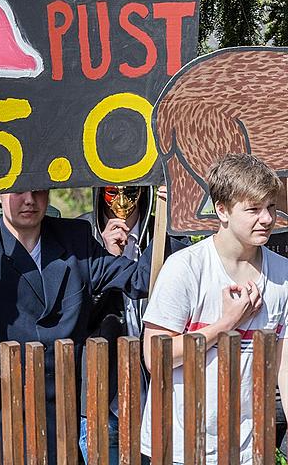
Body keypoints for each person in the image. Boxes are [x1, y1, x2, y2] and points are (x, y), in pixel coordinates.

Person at [0, 187, 154, 463]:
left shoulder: (75, 238)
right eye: (17, 191)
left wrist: (158, 214)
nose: (29, 200)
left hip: (63, 413)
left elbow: (139, 279)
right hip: (1, 407)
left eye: (38, 190)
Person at [140, 153, 288, 463]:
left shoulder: (284, 274)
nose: (267, 218)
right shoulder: (185, 268)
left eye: (271, 207)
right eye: (254, 209)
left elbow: (285, 366)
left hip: (249, 448)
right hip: (179, 446)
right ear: (222, 210)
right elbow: (155, 357)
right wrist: (225, 325)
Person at [78, 185, 189, 464]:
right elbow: (73, 313)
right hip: (103, 398)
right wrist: (103, 258)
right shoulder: (79, 235)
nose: (121, 200)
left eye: (131, 190)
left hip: (160, 397)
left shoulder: (171, 235)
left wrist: (169, 215)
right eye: (112, 191)